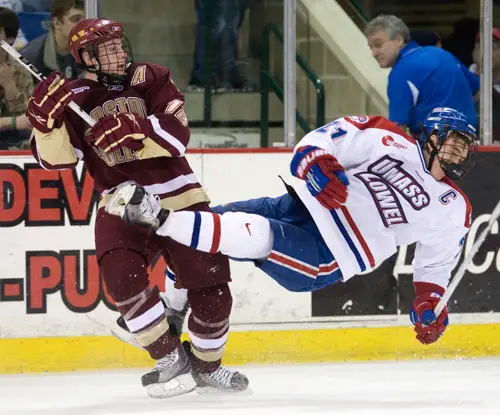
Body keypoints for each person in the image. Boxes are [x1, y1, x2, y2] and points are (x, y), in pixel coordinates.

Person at [106, 108, 477, 346]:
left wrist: (430, 302)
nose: (459, 154)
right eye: (454, 143)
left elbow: (435, 264)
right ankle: (171, 315)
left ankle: (160, 218)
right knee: (206, 225)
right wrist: (316, 167)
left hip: (331, 254)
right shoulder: (386, 138)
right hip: (297, 206)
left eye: (465, 149)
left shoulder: (454, 207)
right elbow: (320, 141)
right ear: (431, 135)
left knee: (248, 231)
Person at [26, 17, 249, 398]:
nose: (118, 52)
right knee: (121, 277)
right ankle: (168, 358)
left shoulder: (153, 77)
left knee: (213, 288)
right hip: (120, 199)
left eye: (119, 44)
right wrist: (45, 125)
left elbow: (178, 134)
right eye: (105, 48)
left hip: (180, 196)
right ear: (85, 57)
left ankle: (208, 367)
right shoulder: (74, 96)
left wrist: (137, 127)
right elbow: (58, 162)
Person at [365, 15, 478, 139]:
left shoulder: (401, 71)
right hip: (469, 141)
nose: (374, 53)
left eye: (378, 45)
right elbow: (475, 87)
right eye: (371, 48)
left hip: (433, 145)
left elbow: (396, 130)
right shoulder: (442, 54)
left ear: (399, 40)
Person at [20, 0, 84, 81]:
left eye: (85, 19)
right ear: (57, 23)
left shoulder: (89, 48)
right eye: (75, 19)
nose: (83, 24)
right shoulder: (31, 56)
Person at [0, 6, 33, 150]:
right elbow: (17, 122)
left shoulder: (21, 71)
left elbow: (28, 120)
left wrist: (10, 89)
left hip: (12, 143)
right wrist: (12, 122)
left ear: (10, 38)